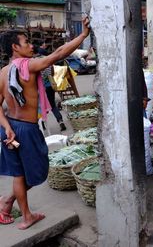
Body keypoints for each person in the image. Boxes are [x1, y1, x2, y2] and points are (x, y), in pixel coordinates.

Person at [0, 17, 90, 229]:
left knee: (19, 174)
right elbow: (57, 55)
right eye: (26, 42)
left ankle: (12, 207)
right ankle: (19, 211)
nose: (31, 45)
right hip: (26, 130)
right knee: (39, 170)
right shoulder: (29, 66)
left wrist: (6, 127)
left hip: (10, 130)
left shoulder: (3, 73)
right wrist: (83, 35)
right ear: (15, 47)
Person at [33, 46, 67, 131]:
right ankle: (60, 121)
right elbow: (52, 71)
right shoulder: (47, 60)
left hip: (40, 88)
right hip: (50, 85)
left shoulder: (34, 62)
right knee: (52, 105)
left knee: (42, 106)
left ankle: (43, 124)